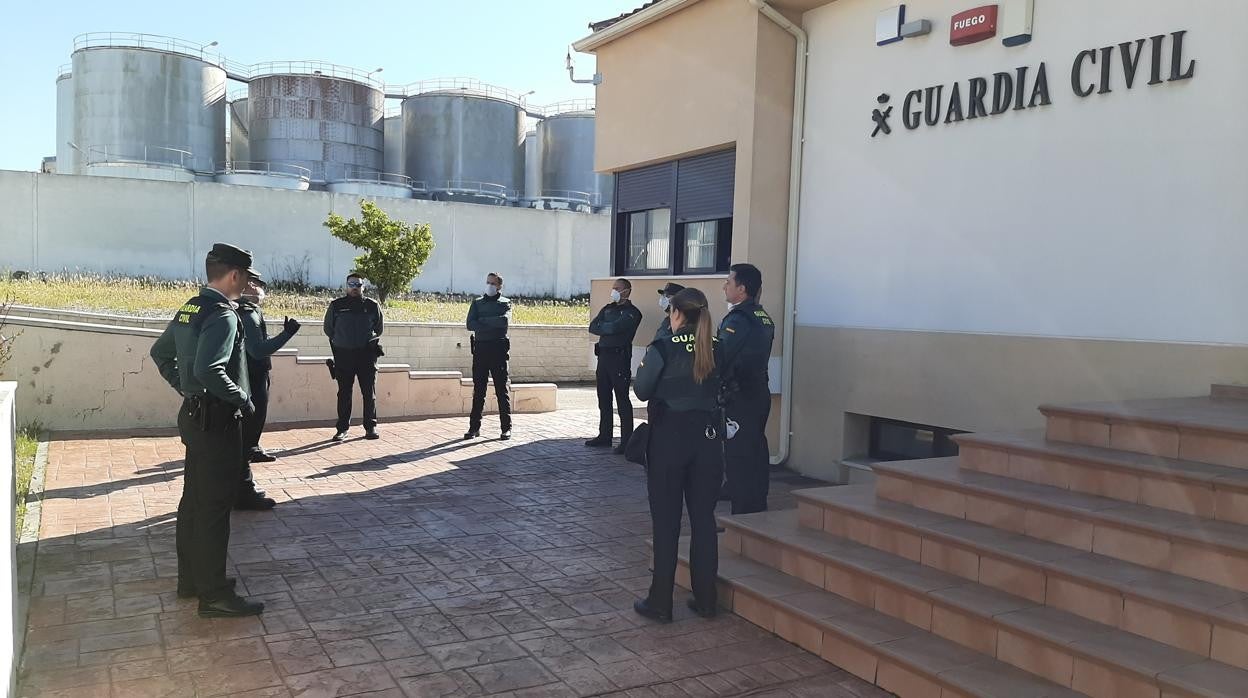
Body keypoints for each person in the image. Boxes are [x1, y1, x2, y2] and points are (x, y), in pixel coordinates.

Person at [149, 243, 265, 618]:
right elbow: (210, 370)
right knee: (215, 508)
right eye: (246, 276)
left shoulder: (192, 307)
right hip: (217, 421)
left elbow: (160, 353)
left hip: (195, 417)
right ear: (235, 275)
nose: (247, 283)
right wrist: (242, 400)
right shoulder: (223, 315)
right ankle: (214, 594)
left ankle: (192, 580)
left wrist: (184, 388)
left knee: (193, 502)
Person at [632, 288, 722, 623]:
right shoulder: (718, 347)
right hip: (708, 440)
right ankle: (706, 599)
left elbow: (641, 388)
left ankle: (660, 602)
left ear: (676, 314)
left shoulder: (663, 347)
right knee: (703, 521)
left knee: (667, 523)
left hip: (669, 440)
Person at [235, 275, 300, 510]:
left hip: (255, 374)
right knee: (247, 431)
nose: (259, 287)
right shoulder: (247, 313)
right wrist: (287, 334)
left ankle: (250, 457)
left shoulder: (249, 310)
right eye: (253, 283)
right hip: (251, 376)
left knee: (250, 432)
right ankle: (243, 489)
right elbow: (258, 349)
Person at [717, 263, 776, 515]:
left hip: (740, 394)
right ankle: (755, 499)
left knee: (739, 452)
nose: (725, 286)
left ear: (741, 289)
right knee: (755, 447)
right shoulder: (762, 316)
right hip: (758, 391)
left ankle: (744, 509)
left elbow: (722, 355)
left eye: (729, 282)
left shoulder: (738, 319)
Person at [586, 278, 644, 454]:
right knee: (603, 397)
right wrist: (608, 327)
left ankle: (626, 440)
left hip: (619, 359)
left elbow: (618, 327)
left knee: (622, 399)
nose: (614, 291)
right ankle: (605, 435)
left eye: (617, 288)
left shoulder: (633, 313)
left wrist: (607, 327)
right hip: (603, 357)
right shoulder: (608, 308)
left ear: (627, 291)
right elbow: (593, 327)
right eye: (613, 288)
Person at [324, 273, 383, 442]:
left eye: (358, 284)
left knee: (368, 393)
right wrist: (341, 340)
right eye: (351, 284)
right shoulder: (337, 305)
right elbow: (328, 329)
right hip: (344, 355)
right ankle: (342, 429)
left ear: (363, 286)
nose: (355, 287)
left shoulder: (372, 305)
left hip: (366, 355)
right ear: (346, 286)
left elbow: (378, 329)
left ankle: (370, 427)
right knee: (344, 393)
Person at [465, 273, 512, 440]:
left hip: (498, 349)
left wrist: (483, 321)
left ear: (499, 286)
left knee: (501, 390)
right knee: (479, 390)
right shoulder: (477, 303)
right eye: (487, 282)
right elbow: (470, 324)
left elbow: (504, 322)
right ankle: (474, 428)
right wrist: (491, 321)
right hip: (481, 349)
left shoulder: (505, 303)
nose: (489, 285)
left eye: (493, 283)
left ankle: (506, 428)